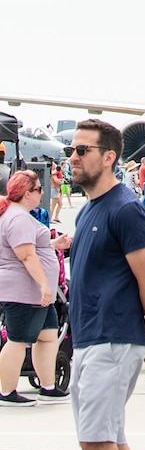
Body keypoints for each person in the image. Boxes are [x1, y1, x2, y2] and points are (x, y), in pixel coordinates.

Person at [66, 118, 145, 450]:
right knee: (111, 440)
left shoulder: (126, 208)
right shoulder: (91, 207)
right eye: (72, 149)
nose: (73, 157)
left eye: (82, 150)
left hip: (112, 337)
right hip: (92, 337)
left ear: (109, 157)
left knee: (97, 443)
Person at [0, 170, 61, 403]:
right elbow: (26, 255)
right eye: (38, 189)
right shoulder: (19, 218)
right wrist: (45, 285)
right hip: (24, 290)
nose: (42, 193)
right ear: (28, 193)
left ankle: (48, 386)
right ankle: (6, 392)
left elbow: (33, 246)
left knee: (47, 336)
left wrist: (54, 243)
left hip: (33, 292)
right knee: (17, 340)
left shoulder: (18, 215)